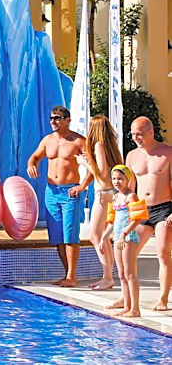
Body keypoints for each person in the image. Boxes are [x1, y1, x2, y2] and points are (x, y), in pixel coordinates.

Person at [26, 106, 87, 287]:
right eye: (51, 118)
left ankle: (72, 276)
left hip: (70, 192)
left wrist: (82, 186)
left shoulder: (78, 141)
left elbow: (93, 166)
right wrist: (31, 165)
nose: (53, 121)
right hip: (51, 192)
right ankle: (67, 274)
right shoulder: (48, 140)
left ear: (67, 120)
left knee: (70, 234)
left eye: (57, 118)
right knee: (57, 235)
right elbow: (34, 157)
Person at [121, 116, 172, 311]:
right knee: (128, 251)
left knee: (163, 253)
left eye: (140, 134)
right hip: (142, 210)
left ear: (151, 132)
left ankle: (163, 299)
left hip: (164, 208)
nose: (136, 138)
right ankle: (126, 299)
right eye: (133, 134)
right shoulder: (132, 156)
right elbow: (129, 187)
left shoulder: (167, 153)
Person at [80, 114, 125, 291]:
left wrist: (84, 163)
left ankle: (108, 277)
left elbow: (103, 173)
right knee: (103, 237)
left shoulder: (98, 145)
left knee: (95, 236)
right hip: (112, 194)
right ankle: (108, 276)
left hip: (104, 194)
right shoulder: (111, 146)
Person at [109, 164, 146, 317]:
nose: (116, 182)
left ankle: (135, 309)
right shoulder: (116, 196)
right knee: (122, 274)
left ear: (127, 179)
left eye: (120, 178)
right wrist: (104, 237)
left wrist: (125, 233)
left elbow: (138, 218)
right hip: (118, 237)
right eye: (114, 178)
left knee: (130, 274)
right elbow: (112, 220)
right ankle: (127, 305)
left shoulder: (131, 196)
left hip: (128, 237)